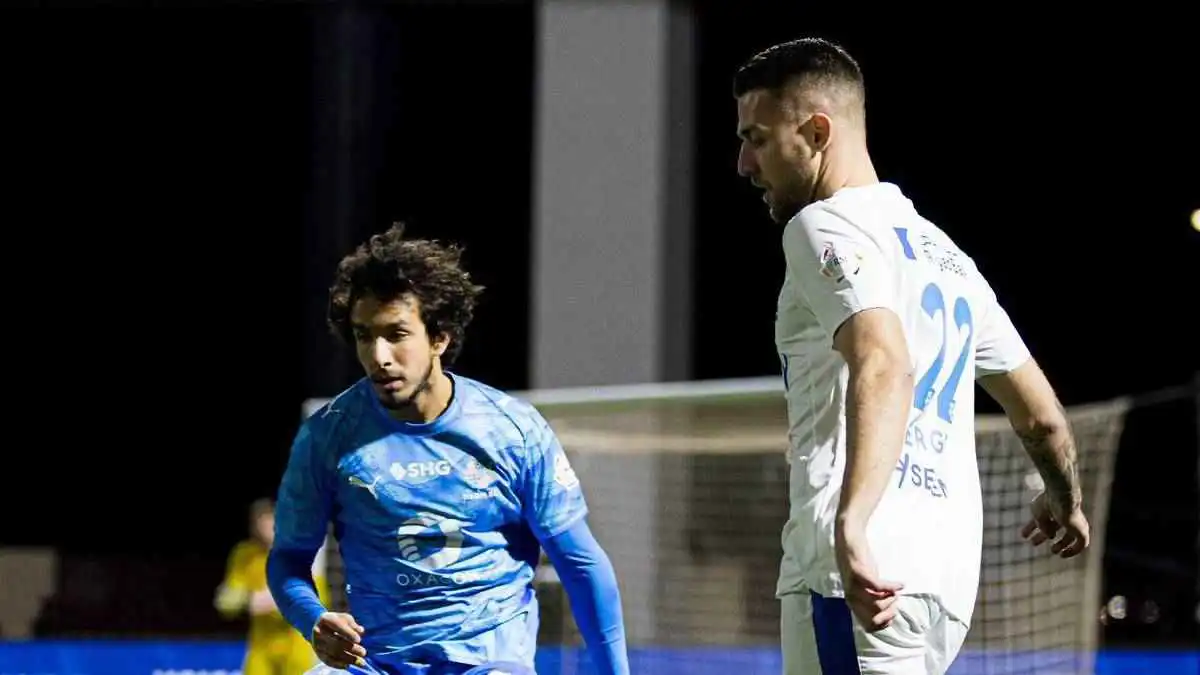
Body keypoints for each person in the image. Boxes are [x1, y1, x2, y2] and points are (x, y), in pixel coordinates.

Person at [732, 37, 1090, 674]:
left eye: (756, 138)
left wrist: (852, 523)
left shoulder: (823, 225)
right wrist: (1066, 498)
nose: (744, 164)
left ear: (817, 132)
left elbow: (883, 360)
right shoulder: (948, 258)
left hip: (859, 576)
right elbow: (1042, 420)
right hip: (943, 588)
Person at [266, 224, 630, 675]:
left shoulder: (512, 431)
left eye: (396, 334)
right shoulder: (328, 436)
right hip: (374, 665)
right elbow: (288, 559)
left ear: (439, 337)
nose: (379, 356)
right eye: (364, 335)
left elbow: (582, 566)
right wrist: (313, 619)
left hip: (487, 666)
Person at [215, 498, 327, 675]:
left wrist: (274, 600)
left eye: (272, 521)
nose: (267, 527)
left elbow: (315, 599)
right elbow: (226, 601)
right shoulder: (244, 554)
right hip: (261, 646)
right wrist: (246, 599)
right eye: (261, 521)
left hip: (297, 644)